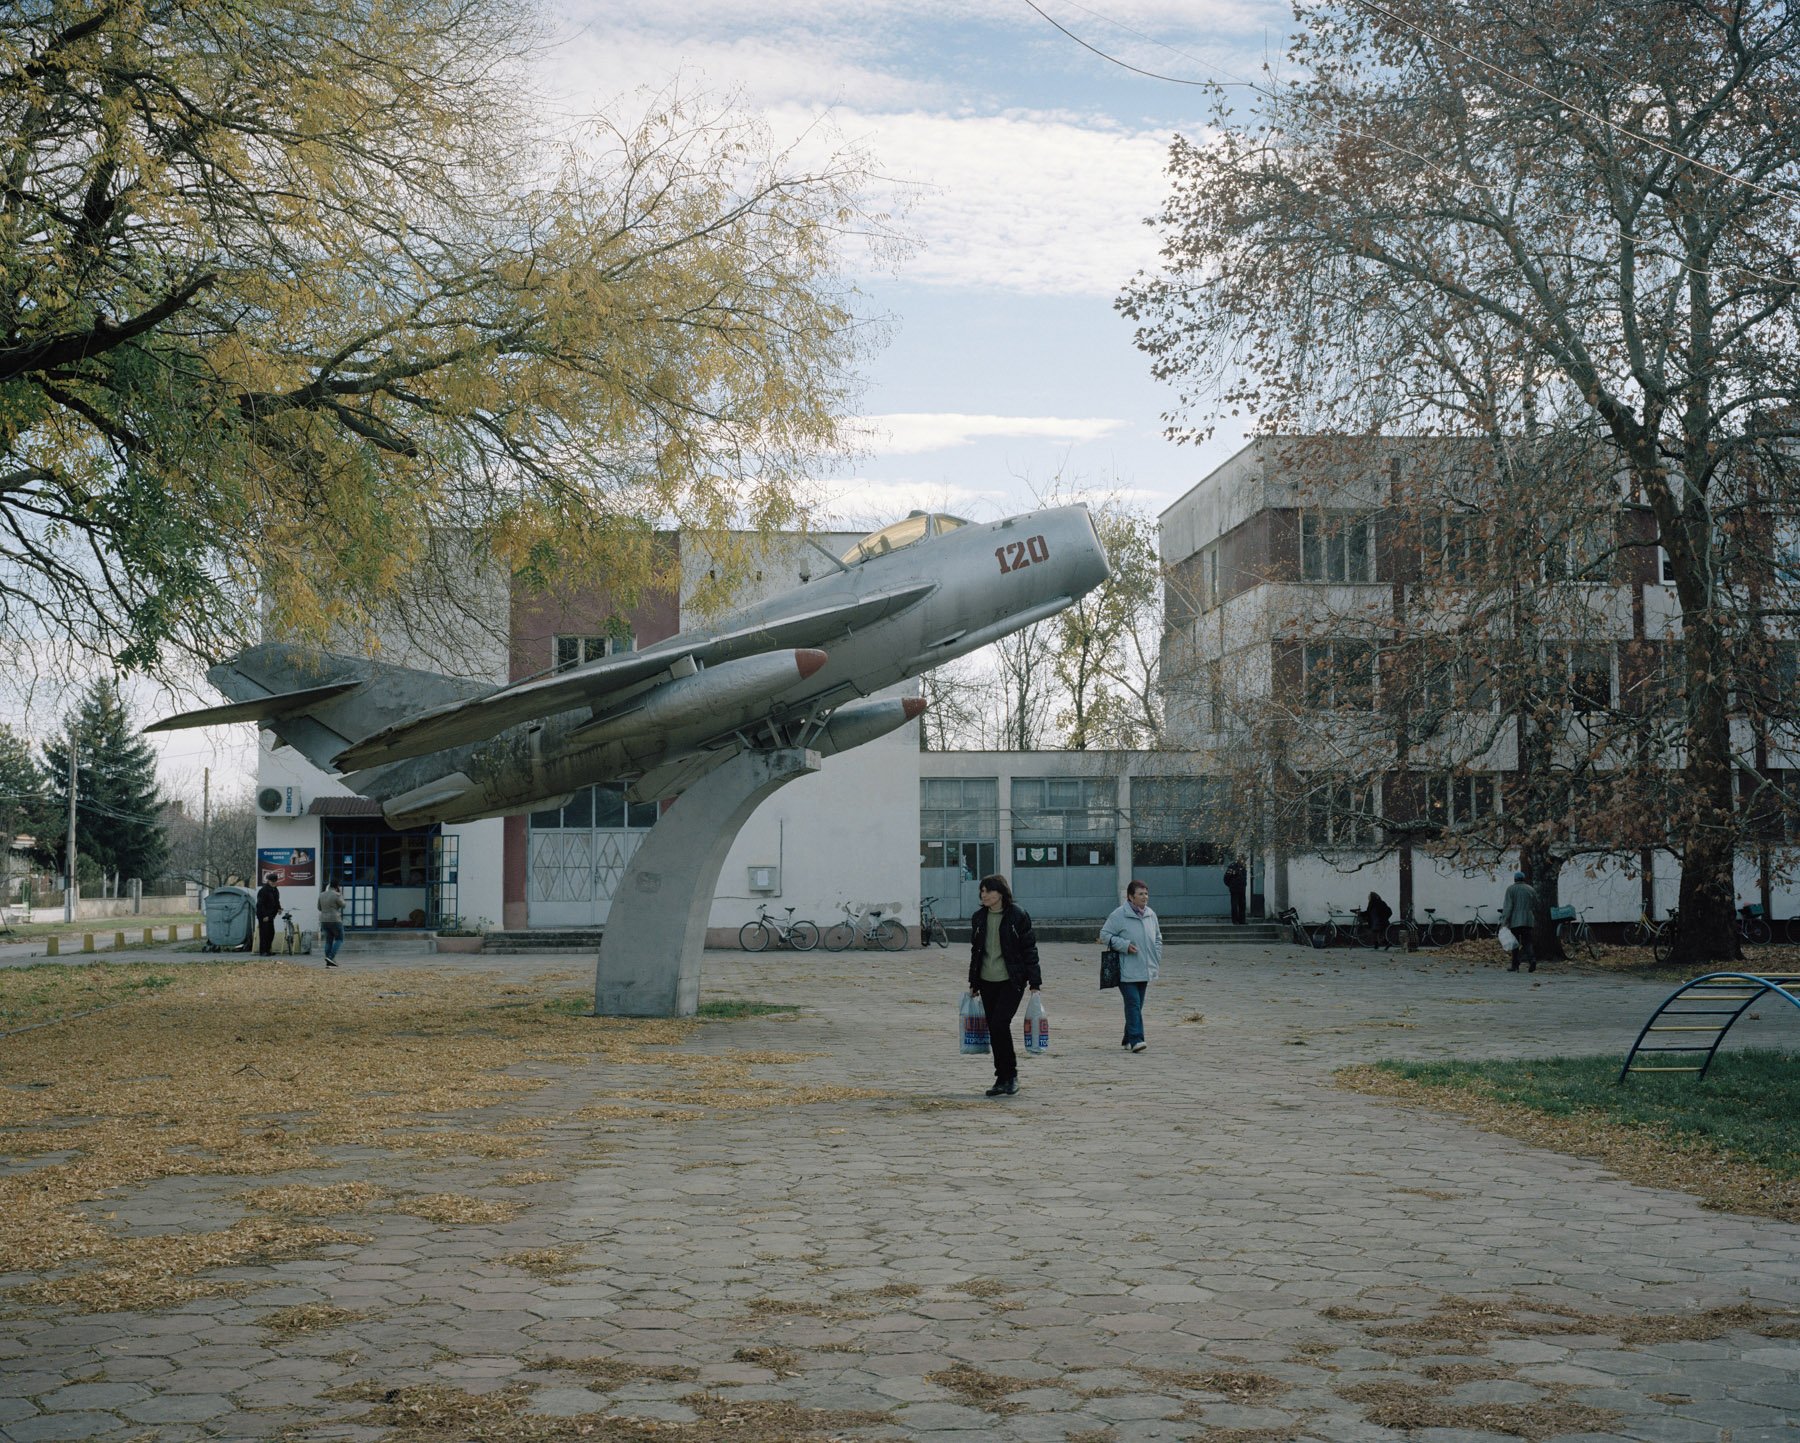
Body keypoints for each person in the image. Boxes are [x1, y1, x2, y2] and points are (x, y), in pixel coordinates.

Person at [967, 873, 1042, 1098]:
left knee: (1000, 1023)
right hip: (987, 980)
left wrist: (1035, 981)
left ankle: (1011, 1075)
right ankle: (1002, 1078)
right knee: (994, 1028)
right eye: (981, 891)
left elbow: (1029, 948)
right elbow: (976, 951)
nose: (984, 895)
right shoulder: (979, 917)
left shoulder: (1017, 915)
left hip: (1011, 980)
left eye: (988, 890)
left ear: (1000, 892)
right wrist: (973, 981)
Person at [1101, 880, 1163, 1052]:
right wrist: (1124, 945)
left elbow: (1158, 938)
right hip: (1125, 968)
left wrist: (1156, 955)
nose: (1145, 897)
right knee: (1133, 1003)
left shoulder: (1151, 914)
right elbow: (1104, 935)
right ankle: (1137, 1040)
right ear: (1130, 897)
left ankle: (1127, 1037)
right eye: (1141, 894)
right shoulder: (1119, 915)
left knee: (1137, 1005)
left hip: (1145, 968)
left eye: (1146, 894)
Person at [1501, 869, 1540, 972]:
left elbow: (1508, 907)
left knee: (1515, 944)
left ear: (1515, 879)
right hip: (1528, 920)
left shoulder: (1511, 889)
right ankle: (1532, 960)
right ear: (1523, 879)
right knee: (1527, 942)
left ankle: (1515, 965)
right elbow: (1536, 905)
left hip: (1515, 921)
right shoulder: (1531, 889)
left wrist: (1505, 921)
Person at [318, 879, 345, 968]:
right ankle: (330, 957)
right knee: (339, 939)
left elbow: (319, 907)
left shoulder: (321, 894)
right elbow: (343, 905)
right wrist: (340, 894)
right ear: (337, 886)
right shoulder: (337, 895)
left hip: (324, 920)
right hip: (335, 919)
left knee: (328, 940)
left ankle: (328, 962)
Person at [255, 872, 281, 956]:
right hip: (263, 915)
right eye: (272, 881)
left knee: (271, 933)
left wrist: (279, 908)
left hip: (271, 915)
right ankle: (263, 951)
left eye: (275, 881)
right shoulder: (263, 891)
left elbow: (276, 901)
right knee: (264, 933)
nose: (273, 883)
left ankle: (268, 950)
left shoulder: (275, 890)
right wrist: (264, 915)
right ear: (268, 881)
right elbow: (260, 904)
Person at [1223, 857, 1248, 925]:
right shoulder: (1232, 866)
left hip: (1242, 889)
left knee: (1242, 905)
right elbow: (1226, 878)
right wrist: (1231, 885)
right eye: (1243, 859)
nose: (1244, 861)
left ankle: (1242, 920)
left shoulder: (1243, 867)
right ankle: (1235, 920)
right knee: (1234, 905)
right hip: (1234, 889)